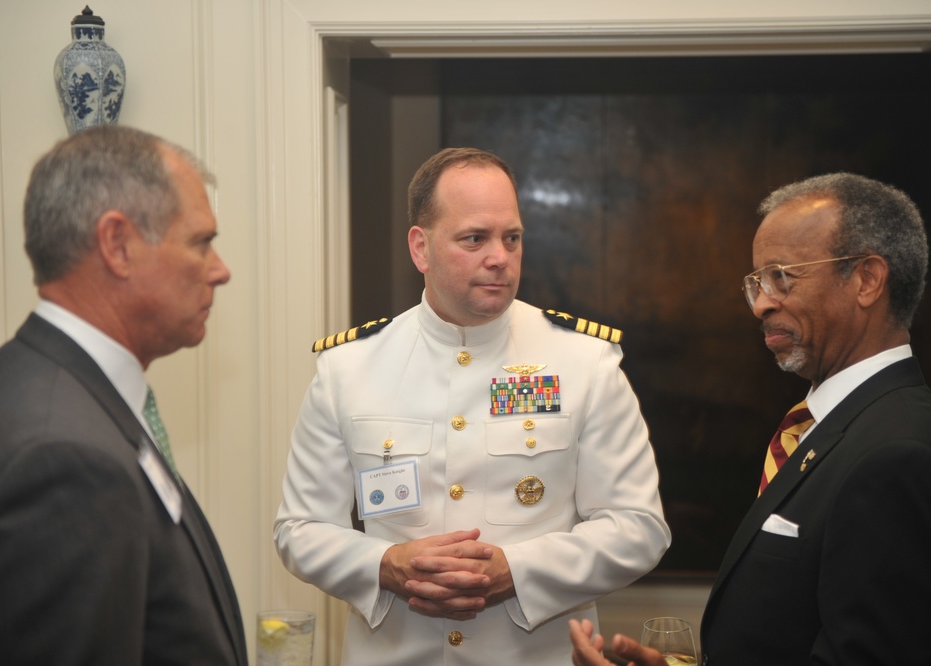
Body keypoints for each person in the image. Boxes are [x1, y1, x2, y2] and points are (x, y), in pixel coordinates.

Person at [274, 147, 670, 665]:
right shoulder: (349, 369)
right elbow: (299, 529)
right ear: (421, 248)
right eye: (474, 238)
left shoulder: (584, 362)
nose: (499, 257)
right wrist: (385, 564)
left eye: (512, 238)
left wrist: (517, 571)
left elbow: (639, 527)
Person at [570, 172, 931, 666]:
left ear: (867, 280)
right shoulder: (835, 426)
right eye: (756, 281)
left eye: (782, 276)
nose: (761, 303)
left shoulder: (898, 457)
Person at [0, 125, 246, 665]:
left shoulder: (47, 378)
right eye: (200, 242)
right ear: (117, 245)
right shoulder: (60, 458)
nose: (220, 270)